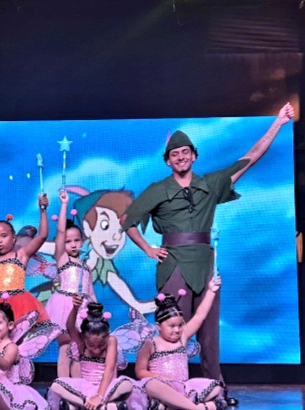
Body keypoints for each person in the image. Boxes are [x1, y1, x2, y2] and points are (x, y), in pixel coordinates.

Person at [121, 102, 294, 405]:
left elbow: (250, 158)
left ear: (194, 155)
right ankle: (167, 391)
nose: (180, 157)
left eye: (185, 152)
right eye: (174, 154)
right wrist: (148, 248)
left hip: (205, 264)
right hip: (174, 265)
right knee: (173, 329)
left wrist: (278, 123)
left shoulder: (209, 185)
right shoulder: (158, 189)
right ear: (168, 161)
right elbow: (127, 220)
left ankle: (215, 390)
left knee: (209, 334)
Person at [135, 279, 225, 410]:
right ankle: (196, 407)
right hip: (163, 386)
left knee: (216, 387)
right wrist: (163, 378)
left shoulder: (182, 338)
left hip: (183, 387)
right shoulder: (151, 344)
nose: (177, 330)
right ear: (158, 326)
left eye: (180, 325)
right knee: (151, 385)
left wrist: (211, 291)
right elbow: (140, 371)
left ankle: (172, 405)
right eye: (172, 326)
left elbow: (200, 315)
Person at [47, 297, 144, 410]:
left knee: (127, 385)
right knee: (56, 386)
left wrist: (99, 397)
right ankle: (90, 404)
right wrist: (75, 308)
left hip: (106, 388)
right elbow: (70, 327)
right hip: (85, 389)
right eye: (91, 345)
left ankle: (98, 403)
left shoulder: (111, 341)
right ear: (84, 338)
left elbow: (109, 369)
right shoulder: (81, 342)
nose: (96, 349)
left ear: (107, 336)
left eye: (101, 345)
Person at [0, 193, 50, 331]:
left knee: (18, 340)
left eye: (4, 236)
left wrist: (42, 210)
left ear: (13, 238)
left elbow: (42, 235)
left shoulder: (21, 255)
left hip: (18, 304)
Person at [46, 189, 96, 377]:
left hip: (83, 307)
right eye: (68, 241)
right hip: (65, 305)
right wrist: (64, 204)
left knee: (79, 348)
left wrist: (96, 311)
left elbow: (91, 292)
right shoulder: (62, 259)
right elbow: (60, 231)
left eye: (77, 240)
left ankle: (78, 387)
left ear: (82, 242)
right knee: (65, 346)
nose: (73, 244)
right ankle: (63, 385)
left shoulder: (86, 266)